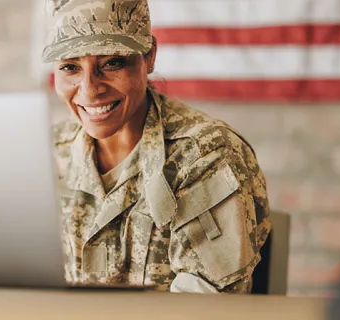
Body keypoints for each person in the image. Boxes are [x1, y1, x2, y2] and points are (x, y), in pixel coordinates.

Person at [43, 0, 271, 293]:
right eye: (70, 67)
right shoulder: (47, 152)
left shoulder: (206, 155)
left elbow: (203, 309)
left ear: (149, 57)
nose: (89, 90)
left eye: (112, 63)